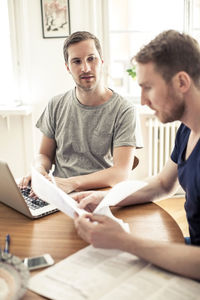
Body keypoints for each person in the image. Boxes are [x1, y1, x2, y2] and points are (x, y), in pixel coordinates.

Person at [74, 30, 200, 280]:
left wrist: (125, 241)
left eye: (148, 88)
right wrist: (106, 197)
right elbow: (163, 183)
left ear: (181, 82)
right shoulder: (188, 127)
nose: (142, 101)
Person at [19, 31, 142, 194]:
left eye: (91, 58)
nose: (85, 68)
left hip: (98, 195)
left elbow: (121, 172)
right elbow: (44, 155)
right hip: (58, 193)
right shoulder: (55, 104)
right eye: (76, 61)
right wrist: (39, 170)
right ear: (68, 67)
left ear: (101, 61)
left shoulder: (124, 110)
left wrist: (71, 183)